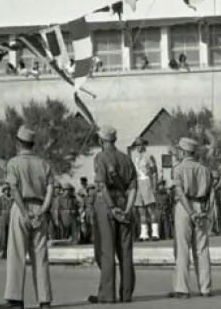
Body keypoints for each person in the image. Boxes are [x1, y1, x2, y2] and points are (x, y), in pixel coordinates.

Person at [0, 126, 54, 309]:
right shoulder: (43, 163)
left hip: (21, 208)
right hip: (39, 207)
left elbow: (13, 189)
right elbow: (50, 189)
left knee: (16, 254)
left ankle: (15, 299)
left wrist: (24, 212)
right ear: (32, 143)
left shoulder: (13, 163)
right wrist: (43, 209)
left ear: (18, 143)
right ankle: (44, 299)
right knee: (40, 255)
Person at [87, 125, 137, 305]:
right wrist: (127, 209)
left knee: (106, 251)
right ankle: (126, 293)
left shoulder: (101, 157)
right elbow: (133, 188)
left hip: (106, 204)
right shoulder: (126, 159)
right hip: (124, 203)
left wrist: (112, 207)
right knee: (125, 251)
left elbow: (101, 185)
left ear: (101, 140)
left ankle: (107, 295)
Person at [168, 137, 213, 299]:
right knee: (202, 249)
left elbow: (179, 192)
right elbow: (210, 194)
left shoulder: (178, 169)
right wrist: (204, 212)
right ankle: (205, 288)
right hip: (201, 206)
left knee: (182, 248)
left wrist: (190, 212)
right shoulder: (204, 169)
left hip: (184, 207)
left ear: (182, 151)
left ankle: (183, 288)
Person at [130, 138, 160, 241]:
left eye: (140, 144)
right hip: (138, 183)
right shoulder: (136, 158)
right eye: (137, 145)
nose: (138, 147)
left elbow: (155, 172)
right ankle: (144, 234)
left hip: (147, 182)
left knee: (151, 209)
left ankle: (155, 233)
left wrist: (154, 186)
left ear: (144, 145)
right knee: (141, 211)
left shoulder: (149, 156)